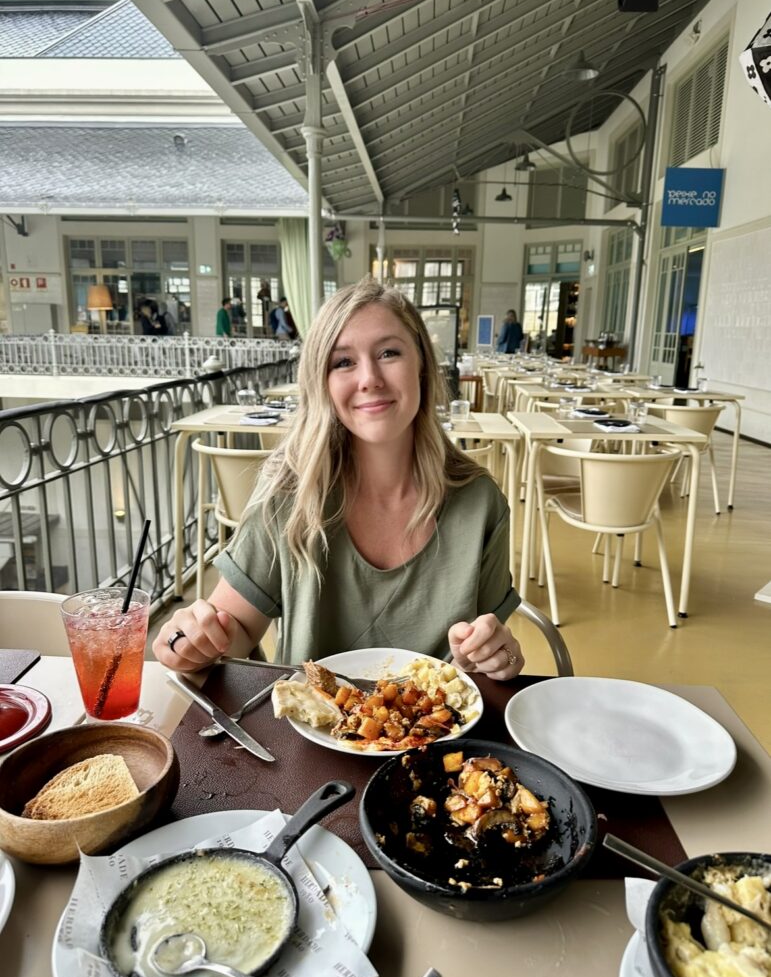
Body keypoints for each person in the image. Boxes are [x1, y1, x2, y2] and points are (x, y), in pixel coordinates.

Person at [154, 276, 524, 682]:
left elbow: (488, 652)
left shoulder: (480, 502)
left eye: (389, 353)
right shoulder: (289, 493)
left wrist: (499, 655)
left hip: (441, 721)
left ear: (421, 365)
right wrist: (193, 639)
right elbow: (234, 631)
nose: (369, 378)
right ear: (322, 382)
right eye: (343, 362)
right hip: (306, 720)